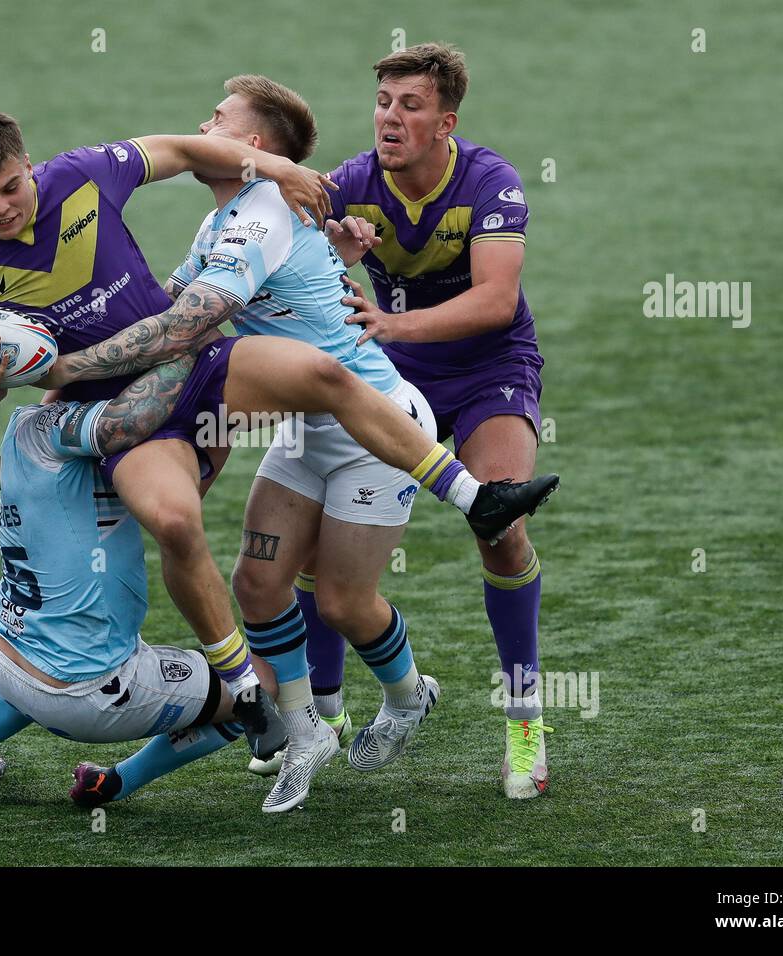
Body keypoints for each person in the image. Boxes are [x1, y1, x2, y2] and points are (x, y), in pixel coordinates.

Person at [42, 76, 559, 811]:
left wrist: (65, 369)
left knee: (351, 599)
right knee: (257, 583)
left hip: (387, 417)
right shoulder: (226, 219)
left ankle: (423, 699)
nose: (200, 129)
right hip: (314, 423)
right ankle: (308, 725)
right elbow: (166, 306)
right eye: (383, 101)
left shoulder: (261, 215)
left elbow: (187, 325)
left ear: (252, 146)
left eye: (216, 119)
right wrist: (69, 340)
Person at [320, 43, 556, 798]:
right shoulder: (350, 185)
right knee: (318, 531)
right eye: (383, 102)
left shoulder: (491, 181)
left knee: (501, 526)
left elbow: (495, 301)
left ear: (446, 123)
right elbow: (284, 254)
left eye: (410, 105)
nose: (389, 118)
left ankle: (524, 724)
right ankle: (321, 716)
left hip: (490, 370)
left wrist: (393, 325)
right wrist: (333, 248)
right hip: (392, 376)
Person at [0, 343, 286, 798]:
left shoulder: (20, 431)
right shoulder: (65, 432)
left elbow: (182, 487)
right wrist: (184, 342)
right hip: (90, 694)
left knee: (48, 642)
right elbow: (131, 419)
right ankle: (116, 782)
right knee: (261, 681)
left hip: (3, 653)